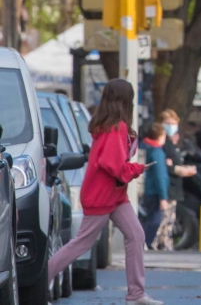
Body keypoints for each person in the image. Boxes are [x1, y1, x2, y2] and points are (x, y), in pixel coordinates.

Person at [47, 79, 163, 305]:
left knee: (136, 235)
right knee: (82, 243)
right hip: (103, 195)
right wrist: (138, 168)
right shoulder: (116, 128)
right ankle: (40, 282)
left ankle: (136, 294)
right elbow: (114, 166)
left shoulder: (109, 126)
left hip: (113, 195)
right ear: (125, 101)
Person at [154, 109, 196, 251]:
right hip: (166, 188)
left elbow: (172, 162)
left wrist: (178, 167)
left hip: (173, 188)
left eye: (173, 123)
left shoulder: (170, 142)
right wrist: (177, 169)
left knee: (168, 222)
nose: (171, 126)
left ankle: (165, 247)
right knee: (162, 222)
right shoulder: (161, 143)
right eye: (167, 123)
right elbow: (161, 165)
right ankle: (159, 247)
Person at [139, 124, 169, 250]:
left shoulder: (142, 148)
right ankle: (145, 242)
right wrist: (163, 197)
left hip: (141, 189)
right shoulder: (156, 152)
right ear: (160, 136)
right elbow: (160, 175)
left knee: (142, 218)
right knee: (155, 219)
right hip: (153, 191)